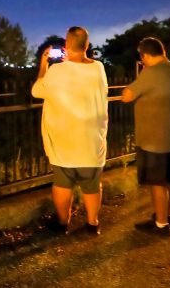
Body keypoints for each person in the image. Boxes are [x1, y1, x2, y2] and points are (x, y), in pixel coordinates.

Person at [31, 26, 109, 235]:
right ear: (86, 45)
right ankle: (92, 223)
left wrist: (44, 65)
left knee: (62, 184)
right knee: (92, 185)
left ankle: (63, 223)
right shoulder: (99, 68)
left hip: (63, 140)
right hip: (92, 139)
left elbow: (37, 91)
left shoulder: (57, 71)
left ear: (66, 45)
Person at [122, 37, 170, 237]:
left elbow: (127, 96)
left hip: (153, 138)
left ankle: (161, 225)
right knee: (169, 180)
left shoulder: (151, 73)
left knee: (156, 183)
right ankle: (167, 215)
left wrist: (142, 74)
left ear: (144, 55)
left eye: (142, 57)